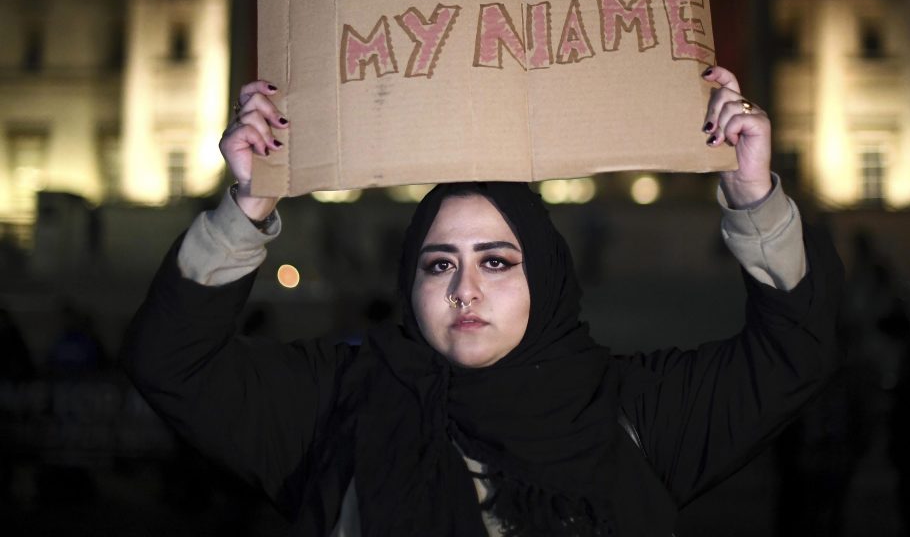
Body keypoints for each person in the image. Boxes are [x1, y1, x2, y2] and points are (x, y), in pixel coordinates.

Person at [122, 66, 843, 536]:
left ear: (546, 280)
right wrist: (247, 209)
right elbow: (170, 363)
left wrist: (751, 194)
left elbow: (795, 354)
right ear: (409, 284)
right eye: (439, 264)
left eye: (496, 261)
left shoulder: (630, 412)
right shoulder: (338, 402)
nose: (464, 288)